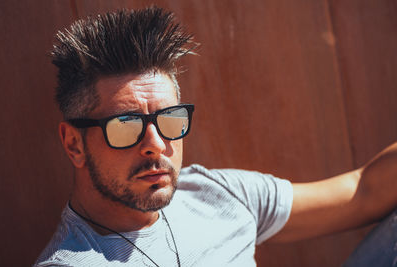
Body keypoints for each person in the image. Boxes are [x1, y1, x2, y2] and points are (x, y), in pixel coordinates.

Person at [35, 6, 397, 267]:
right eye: (126, 126)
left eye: (169, 119)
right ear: (74, 144)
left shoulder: (216, 194)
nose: (157, 144)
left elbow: (364, 191)